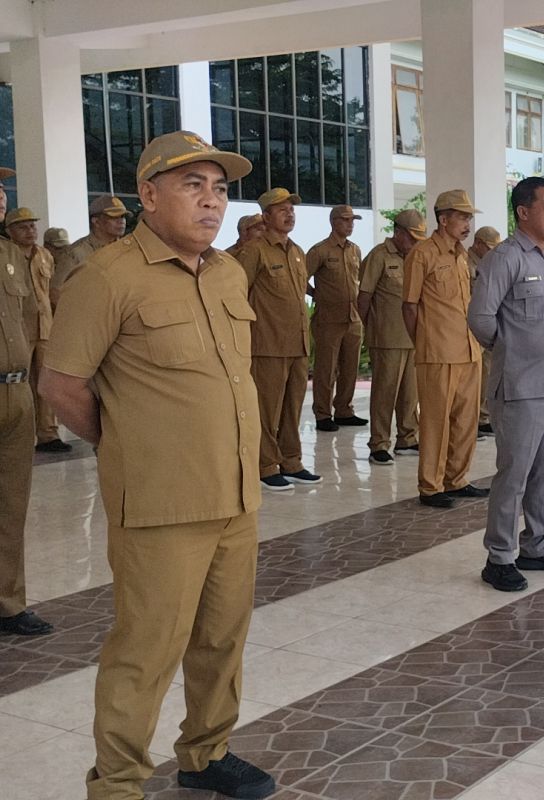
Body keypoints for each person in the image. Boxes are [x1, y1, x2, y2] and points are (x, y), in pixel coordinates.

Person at [40, 130, 275, 799]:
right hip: (160, 505)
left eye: (220, 189)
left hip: (235, 497)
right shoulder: (108, 277)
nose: (211, 202)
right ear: (147, 195)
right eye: (192, 186)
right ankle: (116, 783)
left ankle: (206, 753)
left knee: (222, 643)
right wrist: (126, 443)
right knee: (144, 652)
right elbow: (60, 385)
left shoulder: (229, 271)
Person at [468, 177, 544, 591]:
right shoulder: (505, 258)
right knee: (513, 474)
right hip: (520, 386)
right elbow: (481, 318)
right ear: (523, 212)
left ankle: (537, 545)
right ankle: (499, 557)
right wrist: (512, 350)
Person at [402, 189, 487, 508]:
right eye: (462, 218)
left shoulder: (461, 254)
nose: (467, 224)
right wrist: (423, 342)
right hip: (437, 352)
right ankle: (431, 486)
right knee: (436, 421)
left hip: (468, 350)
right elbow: (409, 305)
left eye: (469, 218)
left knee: (466, 421)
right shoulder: (422, 254)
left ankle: (457, 479)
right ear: (443, 219)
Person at [236, 188, 322, 491]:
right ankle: (265, 465)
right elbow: (236, 295)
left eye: (292, 209)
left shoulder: (297, 251)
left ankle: (292, 460)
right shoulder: (255, 250)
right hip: (267, 344)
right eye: (282, 209)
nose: (290, 214)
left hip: (297, 344)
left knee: (293, 406)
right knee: (266, 409)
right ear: (266, 216)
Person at [0, 168, 54, 638]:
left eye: (0, 188)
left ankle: (9, 603)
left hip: (16, 392)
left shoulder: (10, 255)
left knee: (12, 506)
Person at [358, 209, 424, 465]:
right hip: (386, 337)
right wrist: (370, 327)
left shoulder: (416, 257)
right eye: (412, 237)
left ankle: (407, 438)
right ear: (398, 233)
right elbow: (363, 297)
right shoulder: (379, 256)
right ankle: (379, 443)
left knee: (411, 393)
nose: (416, 242)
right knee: (385, 392)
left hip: (412, 336)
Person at [6, 207, 69, 452]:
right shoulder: (6, 256)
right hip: (17, 330)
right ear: (10, 231)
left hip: (45, 328)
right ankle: (21, 435)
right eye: (23, 226)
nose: (30, 230)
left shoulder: (44, 255)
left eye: (32, 225)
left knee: (46, 382)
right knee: (19, 387)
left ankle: (48, 434)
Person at [307, 205, 367, 432]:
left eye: (353, 221)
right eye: (345, 220)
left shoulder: (355, 250)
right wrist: (316, 294)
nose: (350, 225)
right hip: (328, 319)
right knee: (326, 368)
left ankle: (344, 410)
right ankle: (323, 414)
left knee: (350, 367)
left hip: (352, 318)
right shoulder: (320, 251)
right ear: (334, 222)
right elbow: (300, 278)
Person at [51, 195, 127, 292]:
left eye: (123, 216)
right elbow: (55, 292)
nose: (121, 221)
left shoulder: (127, 249)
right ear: (96, 221)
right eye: (114, 217)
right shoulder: (76, 253)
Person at [467, 225, 501, 436]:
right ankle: (471, 420)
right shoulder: (465, 261)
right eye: (489, 248)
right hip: (469, 328)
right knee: (473, 379)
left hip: (487, 328)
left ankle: (482, 416)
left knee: (487, 375)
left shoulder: (489, 263)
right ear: (478, 244)